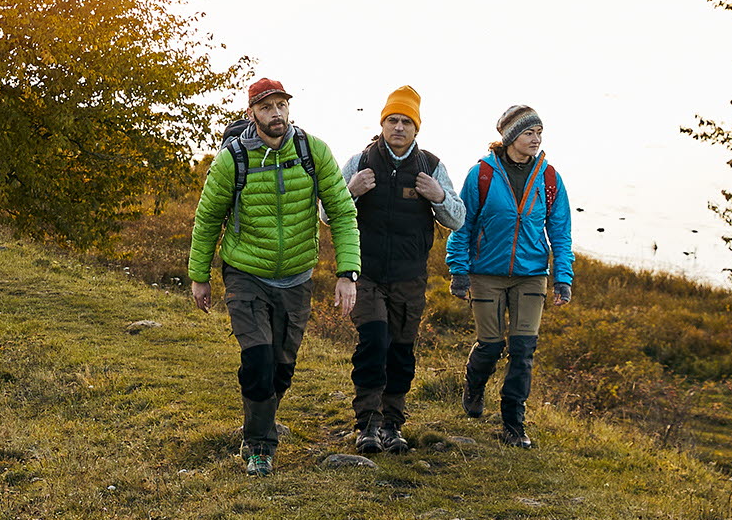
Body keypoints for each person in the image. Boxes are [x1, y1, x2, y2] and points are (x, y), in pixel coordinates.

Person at [187, 76, 361, 475]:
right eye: (267, 107)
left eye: (281, 105)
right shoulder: (234, 158)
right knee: (259, 359)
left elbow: (342, 210)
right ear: (252, 114)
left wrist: (347, 272)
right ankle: (259, 446)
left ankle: (260, 416)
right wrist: (200, 276)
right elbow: (209, 218)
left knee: (282, 365)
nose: (276, 113)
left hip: (296, 277)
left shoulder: (312, 151)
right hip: (246, 272)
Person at [338, 86, 464, 455]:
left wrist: (437, 196)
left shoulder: (431, 166)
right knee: (374, 342)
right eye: (392, 120)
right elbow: (328, 214)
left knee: (401, 351)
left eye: (406, 121)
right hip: (367, 275)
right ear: (382, 124)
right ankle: (368, 425)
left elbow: (458, 219)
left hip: (410, 277)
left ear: (416, 128)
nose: (398, 127)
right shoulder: (359, 161)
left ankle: (393, 424)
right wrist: (352, 189)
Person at [440, 104, 574, 448]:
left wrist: (563, 277)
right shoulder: (481, 174)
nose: (536, 139)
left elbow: (560, 231)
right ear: (510, 137)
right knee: (491, 344)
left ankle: (514, 424)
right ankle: (474, 384)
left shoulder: (549, 177)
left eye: (539, 132)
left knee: (523, 348)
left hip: (531, 275)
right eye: (529, 132)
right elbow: (462, 225)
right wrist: (459, 270)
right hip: (486, 273)